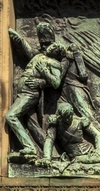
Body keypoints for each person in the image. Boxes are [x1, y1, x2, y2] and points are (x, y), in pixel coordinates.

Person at [4, 23, 64, 161]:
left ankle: (30, 148)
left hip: (30, 94)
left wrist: (43, 74)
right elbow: (29, 52)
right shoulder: (39, 56)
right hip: (23, 91)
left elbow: (56, 83)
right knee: (33, 125)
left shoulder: (54, 63)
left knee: (11, 117)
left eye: (50, 45)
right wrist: (21, 40)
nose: (46, 47)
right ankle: (51, 154)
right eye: (45, 44)